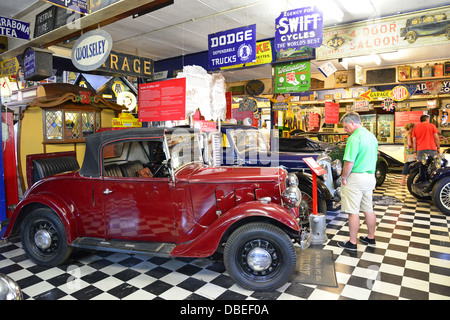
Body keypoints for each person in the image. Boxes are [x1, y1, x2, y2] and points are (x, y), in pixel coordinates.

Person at [338, 112, 378, 251]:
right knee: (368, 209)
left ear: (352, 123)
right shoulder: (371, 136)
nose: (345, 129)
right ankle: (371, 237)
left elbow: (349, 162)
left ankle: (352, 242)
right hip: (370, 177)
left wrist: (343, 178)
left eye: (345, 126)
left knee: (353, 211)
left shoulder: (354, 138)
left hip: (356, 177)